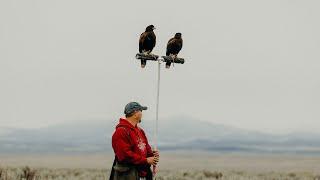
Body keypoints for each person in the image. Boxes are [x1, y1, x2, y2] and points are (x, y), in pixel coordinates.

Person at [110, 102, 160, 180]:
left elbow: (146, 149)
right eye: (141, 111)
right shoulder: (121, 131)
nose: (142, 114)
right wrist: (146, 160)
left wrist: (152, 156)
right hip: (128, 175)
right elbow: (124, 155)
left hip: (142, 174)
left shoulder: (140, 131)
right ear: (135, 113)